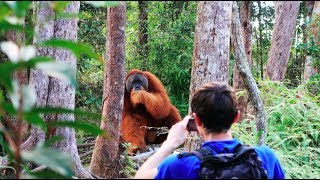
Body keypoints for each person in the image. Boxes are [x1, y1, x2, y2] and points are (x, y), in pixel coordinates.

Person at [134, 81, 285, 179]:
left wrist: (169, 144)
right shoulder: (266, 157)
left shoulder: (180, 166)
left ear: (197, 120)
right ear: (236, 117)